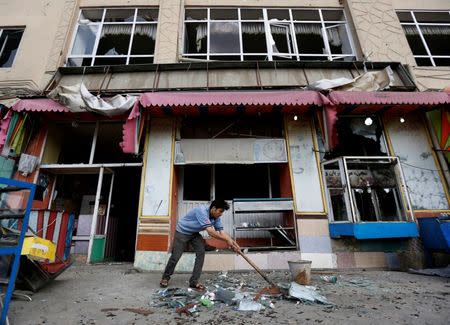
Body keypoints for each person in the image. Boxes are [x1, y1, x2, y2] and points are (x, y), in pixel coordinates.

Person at [160, 199, 240, 290]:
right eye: (220, 211)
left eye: (222, 212)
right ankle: (165, 278)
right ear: (213, 208)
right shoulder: (201, 211)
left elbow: (221, 232)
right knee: (176, 256)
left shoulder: (216, 217)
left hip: (194, 233)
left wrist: (233, 243)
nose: (221, 214)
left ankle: (194, 282)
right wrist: (227, 240)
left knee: (201, 253)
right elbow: (211, 232)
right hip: (182, 231)